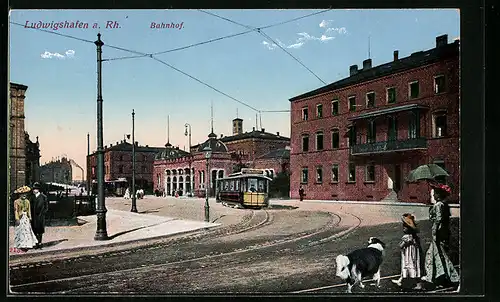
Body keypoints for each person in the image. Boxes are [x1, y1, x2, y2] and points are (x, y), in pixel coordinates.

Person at [421, 182, 460, 288]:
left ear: (439, 195)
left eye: (435, 194)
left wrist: (435, 231)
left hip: (438, 232)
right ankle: (435, 275)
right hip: (443, 232)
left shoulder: (438, 205)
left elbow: (438, 220)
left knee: (439, 254)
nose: (433, 195)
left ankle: (447, 275)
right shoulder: (444, 205)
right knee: (433, 253)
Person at [392, 213, 425, 290]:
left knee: (409, 266)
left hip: (409, 255)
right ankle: (402, 280)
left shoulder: (407, 237)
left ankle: (417, 284)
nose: (403, 228)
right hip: (413, 254)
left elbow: (401, 245)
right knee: (412, 266)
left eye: (405, 227)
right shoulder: (414, 237)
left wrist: (401, 243)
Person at [13, 186, 38, 252]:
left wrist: (30, 217)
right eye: (22, 194)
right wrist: (17, 218)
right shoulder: (16, 201)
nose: (24, 195)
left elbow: (29, 210)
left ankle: (27, 244)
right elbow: (16, 211)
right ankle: (20, 245)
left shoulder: (27, 201)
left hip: (26, 217)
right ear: (19, 195)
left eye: (25, 194)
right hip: (20, 217)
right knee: (20, 230)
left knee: (27, 230)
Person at [30, 182, 48, 249]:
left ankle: (40, 242)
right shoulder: (31, 197)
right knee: (34, 229)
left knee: (40, 230)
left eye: (36, 189)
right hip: (33, 216)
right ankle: (36, 243)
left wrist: (43, 213)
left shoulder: (43, 197)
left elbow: (46, 207)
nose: (34, 190)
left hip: (40, 216)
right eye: (34, 189)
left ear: (38, 190)